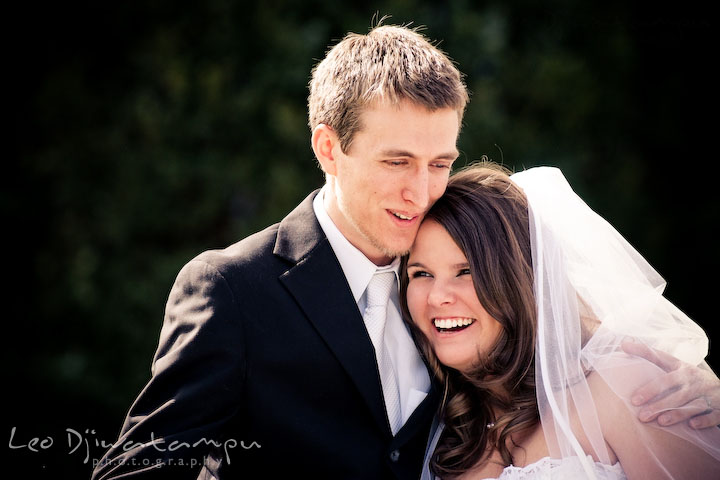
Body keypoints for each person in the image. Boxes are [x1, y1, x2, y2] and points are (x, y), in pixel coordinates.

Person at [92, 24, 719, 479]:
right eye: (396, 161)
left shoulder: (449, 289)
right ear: (329, 148)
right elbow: (136, 472)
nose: (420, 192)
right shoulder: (233, 289)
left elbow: (559, 346)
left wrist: (689, 389)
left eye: (439, 163)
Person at [403, 162, 720, 479]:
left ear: (522, 280)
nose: (436, 297)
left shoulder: (628, 388)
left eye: (466, 271)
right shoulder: (441, 434)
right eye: (421, 274)